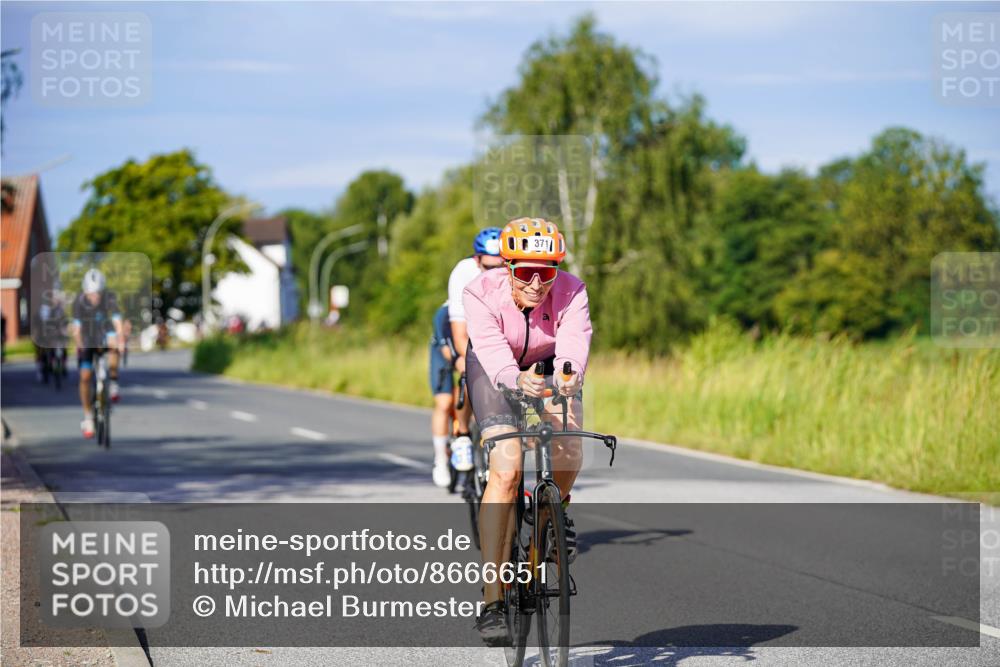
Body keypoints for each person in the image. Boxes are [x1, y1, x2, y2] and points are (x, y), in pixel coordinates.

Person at [464, 218, 590, 644]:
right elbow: (492, 348)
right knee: (506, 469)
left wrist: (569, 376)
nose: (537, 283)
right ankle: (493, 599)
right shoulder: (480, 292)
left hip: (550, 362)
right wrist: (515, 380)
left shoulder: (572, 290)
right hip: (492, 365)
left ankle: (554, 513)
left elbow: (573, 341)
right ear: (508, 266)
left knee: (570, 446)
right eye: (525, 272)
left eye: (547, 272)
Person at [429, 228, 506, 487]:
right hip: (451, 331)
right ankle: (453, 444)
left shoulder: (512, 274)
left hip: (484, 331)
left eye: (502, 266)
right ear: (477, 260)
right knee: (447, 397)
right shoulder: (464, 273)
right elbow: (459, 334)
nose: (496, 273)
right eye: (489, 267)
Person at [72, 268, 125, 438]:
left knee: (114, 344)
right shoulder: (78, 302)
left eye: (98, 294)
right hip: (87, 336)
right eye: (91, 294)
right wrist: (80, 345)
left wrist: (121, 340)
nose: (94, 297)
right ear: (85, 292)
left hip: (104, 330)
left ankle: (114, 383)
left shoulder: (109, 298)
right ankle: (88, 417)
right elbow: (77, 329)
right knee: (85, 377)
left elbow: (117, 322)